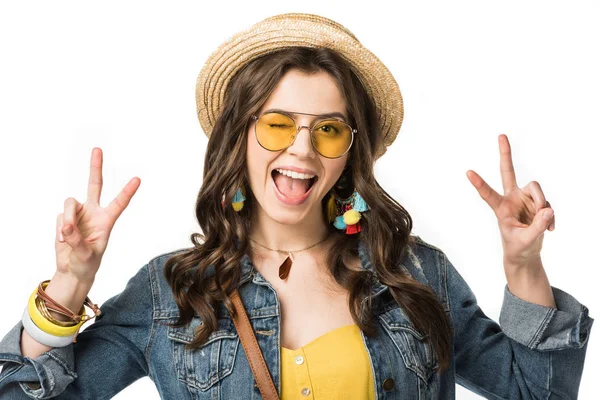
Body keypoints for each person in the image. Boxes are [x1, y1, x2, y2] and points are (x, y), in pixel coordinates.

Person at [0, 12, 594, 399]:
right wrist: (70, 284)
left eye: (329, 130)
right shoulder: (170, 290)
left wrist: (524, 267)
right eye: (279, 124)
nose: (302, 150)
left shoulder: (414, 274)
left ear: (349, 151)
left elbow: (537, 392)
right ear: (240, 136)